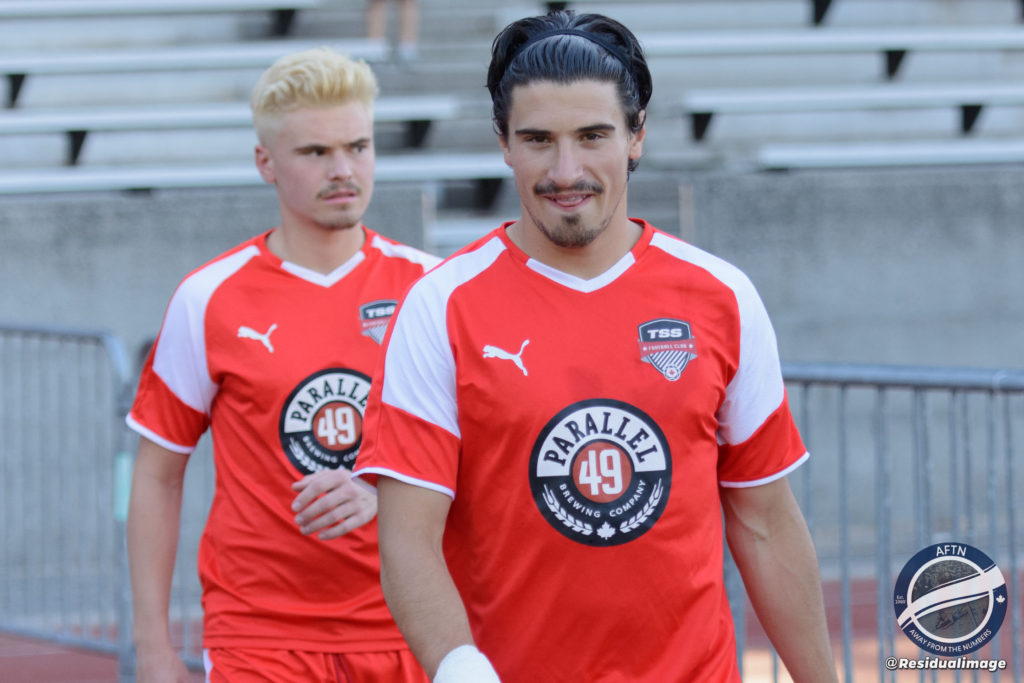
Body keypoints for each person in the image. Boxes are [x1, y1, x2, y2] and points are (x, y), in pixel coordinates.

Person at [353, 10, 838, 682]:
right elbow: (408, 541)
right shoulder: (441, 307)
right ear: (503, 144)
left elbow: (765, 524)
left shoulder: (722, 297)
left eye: (592, 136)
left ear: (637, 135)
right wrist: (464, 670)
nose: (566, 170)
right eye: (537, 140)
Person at [125, 47, 437, 682]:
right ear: (265, 162)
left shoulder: (432, 291)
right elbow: (158, 475)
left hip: (409, 624)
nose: (343, 170)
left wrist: (382, 491)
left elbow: (484, 460)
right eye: (315, 152)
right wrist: (153, 648)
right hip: (259, 636)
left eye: (358, 147)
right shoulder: (208, 298)